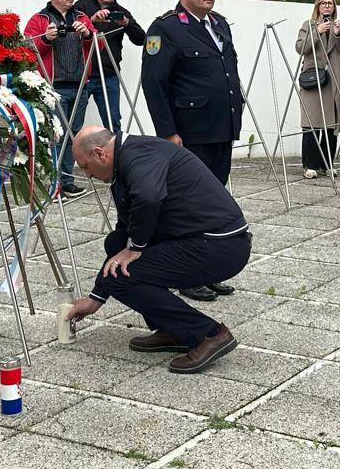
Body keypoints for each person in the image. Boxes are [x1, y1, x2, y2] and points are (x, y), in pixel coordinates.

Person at [63, 128, 251, 374]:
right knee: (115, 245)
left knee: (122, 278)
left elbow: (148, 197)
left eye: (85, 167)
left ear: (100, 154)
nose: (88, 175)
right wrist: (95, 297)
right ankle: (175, 329)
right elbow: (126, 230)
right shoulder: (127, 157)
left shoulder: (137, 156)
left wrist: (136, 247)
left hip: (219, 245)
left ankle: (209, 334)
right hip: (201, 238)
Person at [141, 0, 244, 299]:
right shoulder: (166, 28)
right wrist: (168, 133)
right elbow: (154, 83)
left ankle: (207, 268)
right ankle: (185, 273)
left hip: (221, 129)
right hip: (190, 134)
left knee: (214, 203)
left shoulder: (220, 24)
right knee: (187, 206)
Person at [24, 0, 95, 198]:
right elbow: (26, 49)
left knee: (74, 135)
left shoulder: (82, 17)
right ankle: (55, 185)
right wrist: (45, 38)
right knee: (57, 135)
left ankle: (67, 182)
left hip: (80, 86)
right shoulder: (39, 19)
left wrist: (88, 34)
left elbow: (100, 46)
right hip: (54, 87)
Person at [75, 0, 146, 132]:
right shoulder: (81, 6)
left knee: (113, 125)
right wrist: (91, 20)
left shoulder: (122, 12)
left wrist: (127, 24)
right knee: (73, 125)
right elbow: (70, 33)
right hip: (81, 75)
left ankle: (116, 150)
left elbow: (141, 39)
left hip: (109, 76)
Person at [294, 0, 340, 178]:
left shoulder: (339, 27)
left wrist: (337, 35)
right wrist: (317, 32)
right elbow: (300, 48)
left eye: (330, 3)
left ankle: (326, 164)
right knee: (312, 123)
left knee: (330, 124)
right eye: (324, 3)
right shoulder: (309, 25)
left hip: (332, 81)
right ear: (318, 6)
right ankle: (309, 165)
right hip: (313, 80)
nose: (327, 6)